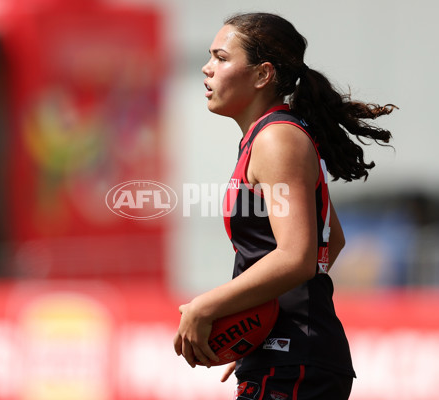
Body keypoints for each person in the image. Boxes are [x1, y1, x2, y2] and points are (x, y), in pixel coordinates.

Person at [173, 12, 396, 400]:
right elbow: (332, 241)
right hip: (287, 355)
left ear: (262, 75)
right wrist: (253, 325)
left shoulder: (277, 139)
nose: (207, 69)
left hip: (294, 361)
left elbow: (297, 257)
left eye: (221, 58)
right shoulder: (269, 136)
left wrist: (205, 307)